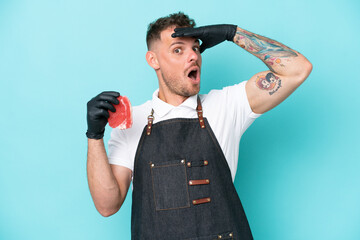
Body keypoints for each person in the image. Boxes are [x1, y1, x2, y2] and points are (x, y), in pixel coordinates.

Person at [86, 12, 312, 239]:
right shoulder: (133, 121)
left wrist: (232, 33)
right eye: (178, 50)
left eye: (195, 48)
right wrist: (95, 136)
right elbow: (108, 206)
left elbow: (298, 69)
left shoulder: (226, 105)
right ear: (153, 60)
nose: (193, 56)